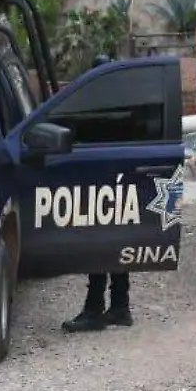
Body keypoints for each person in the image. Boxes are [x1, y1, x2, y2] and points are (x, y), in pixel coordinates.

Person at [64, 53, 133, 333]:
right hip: (123, 184)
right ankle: (119, 306)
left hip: (101, 186)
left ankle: (94, 310)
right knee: (117, 245)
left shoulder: (96, 110)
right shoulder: (129, 106)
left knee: (98, 247)